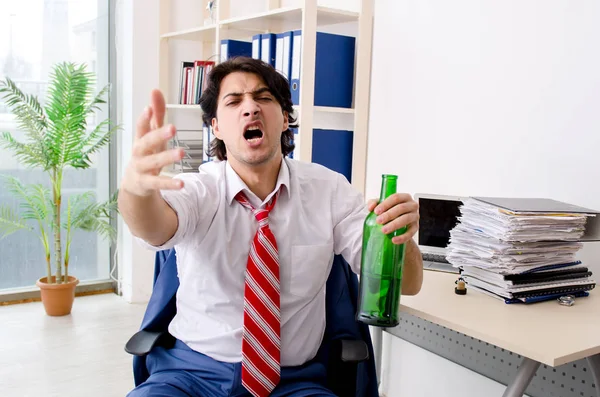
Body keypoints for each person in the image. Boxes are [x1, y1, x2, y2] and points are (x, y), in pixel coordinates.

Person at [119, 56, 423, 397]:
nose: (250, 108)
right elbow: (153, 227)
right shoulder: (200, 189)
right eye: (234, 101)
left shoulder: (330, 190)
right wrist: (135, 188)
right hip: (191, 374)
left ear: (284, 119)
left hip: (295, 381)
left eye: (263, 98)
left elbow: (408, 285)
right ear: (216, 126)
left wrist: (402, 236)